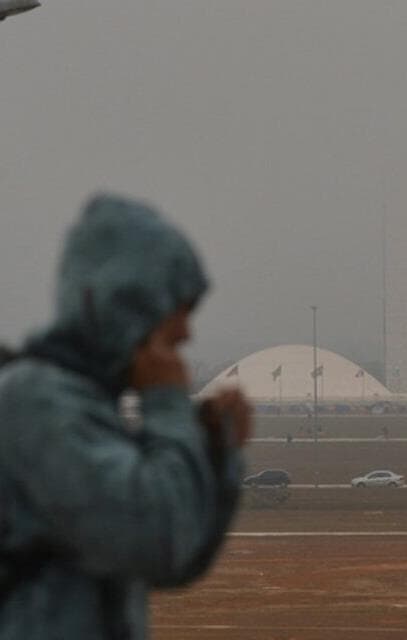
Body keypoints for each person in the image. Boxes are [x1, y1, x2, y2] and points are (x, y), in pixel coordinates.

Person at [0, 194, 252, 639]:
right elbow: (157, 541)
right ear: (128, 308)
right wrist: (167, 405)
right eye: (177, 311)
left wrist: (215, 456)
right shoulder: (36, 404)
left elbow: (178, 561)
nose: (186, 332)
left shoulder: (86, 404)